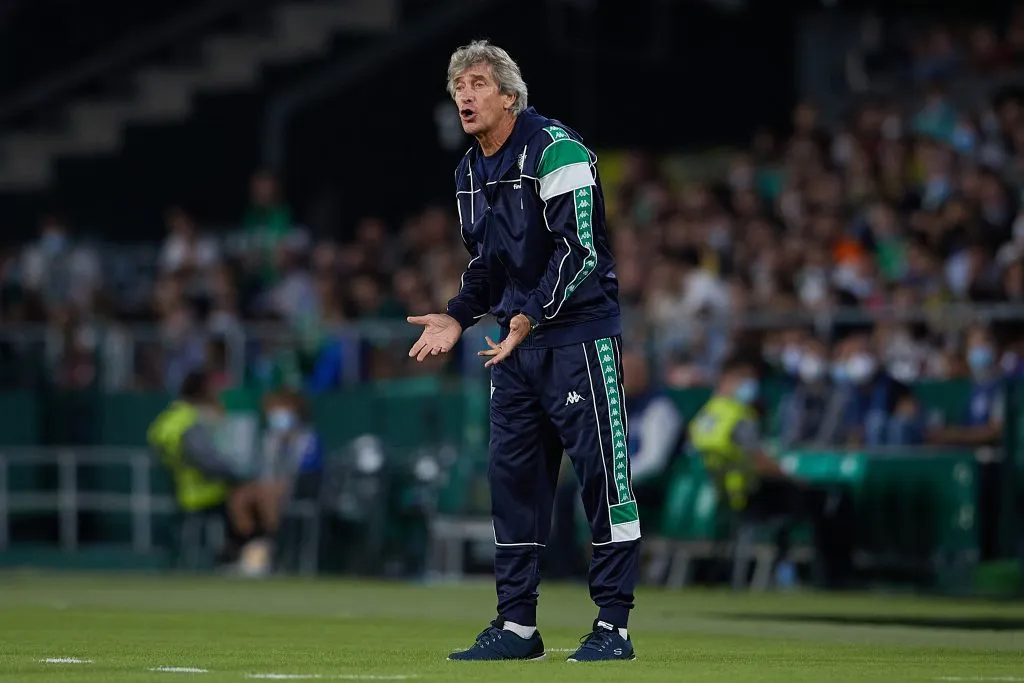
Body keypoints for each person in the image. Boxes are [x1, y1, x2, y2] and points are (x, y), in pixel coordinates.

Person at [407, 40, 638, 662]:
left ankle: (613, 626)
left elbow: (580, 251)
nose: (464, 94)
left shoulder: (557, 151)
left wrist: (528, 317)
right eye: (458, 84)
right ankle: (517, 628)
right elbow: (487, 265)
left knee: (602, 479)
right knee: (512, 484)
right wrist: (458, 316)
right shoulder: (468, 172)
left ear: (510, 96)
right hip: (514, 347)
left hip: (576, 338)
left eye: (478, 83)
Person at [688, 356, 854, 589]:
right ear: (728, 380)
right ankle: (830, 577)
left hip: (724, 496)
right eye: (744, 380)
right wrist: (793, 477)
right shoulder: (738, 415)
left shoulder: (706, 415)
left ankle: (790, 567)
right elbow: (757, 460)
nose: (749, 386)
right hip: (750, 494)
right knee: (824, 500)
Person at [147, 369, 280, 568]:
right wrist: (237, 474)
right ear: (202, 391)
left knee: (251, 493)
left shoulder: (167, 420)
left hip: (183, 489)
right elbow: (207, 461)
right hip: (202, 492)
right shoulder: (190, 420)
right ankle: (245, 555)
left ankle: (249, 553)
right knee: (249, 496)